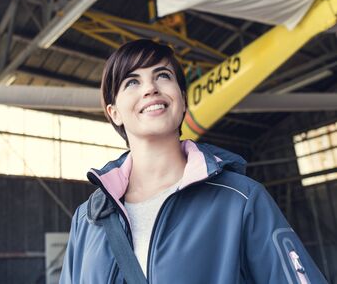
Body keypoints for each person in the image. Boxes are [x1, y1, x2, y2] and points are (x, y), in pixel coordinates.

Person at [59, 39, 327, 283]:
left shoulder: (241, 199)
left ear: (183, 99)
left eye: (162, 76)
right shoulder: (89, 219)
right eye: (132, 82)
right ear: (114, 112)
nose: (150, 88)